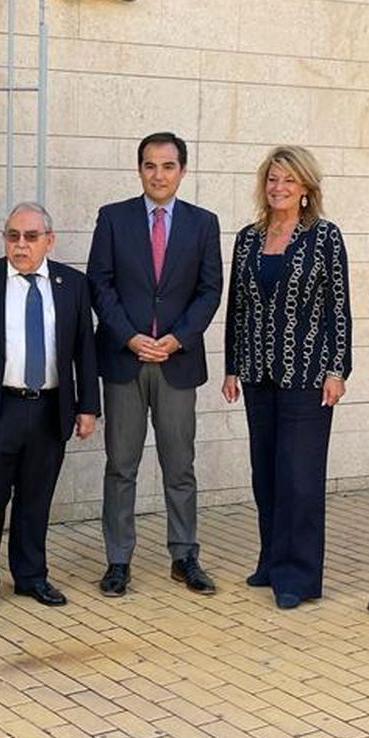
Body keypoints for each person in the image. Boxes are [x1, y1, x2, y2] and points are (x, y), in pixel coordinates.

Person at [0, 202, 99, 619]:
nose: (21, 245)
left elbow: (85, 349)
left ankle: (31, 576)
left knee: (35, 501)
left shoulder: (73, 284)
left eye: (31, 237)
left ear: (50, 240)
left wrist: (88, 407)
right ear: (4, 239)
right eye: (13, 236)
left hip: (49, 410)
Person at [87, 131, 223, 597]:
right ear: (139, 169)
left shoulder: (204, 223)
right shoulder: (113, 219)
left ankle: (184, 555)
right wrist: (130, 336)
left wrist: (176, 339)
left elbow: (210, 291)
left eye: (168, 166)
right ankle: (118, 559)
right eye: (150, 165)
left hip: (176, 362)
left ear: (182, 171)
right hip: (125, 359)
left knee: (179, 465)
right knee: (120, 465)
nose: (158, 175)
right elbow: (99, 284)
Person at [221, 147, 352, 609]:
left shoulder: (325, 238)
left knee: (300, 477)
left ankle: (299, 576)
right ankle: (272, 561)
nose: (279, 188)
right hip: (258, 372)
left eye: (288, 181)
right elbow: (237, 306)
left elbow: (339, 308)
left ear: (306, 189)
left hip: (308, 375)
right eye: (273, 179)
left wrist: (338, 370)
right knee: (267, 473)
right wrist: (232, 365)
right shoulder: (247, 239)